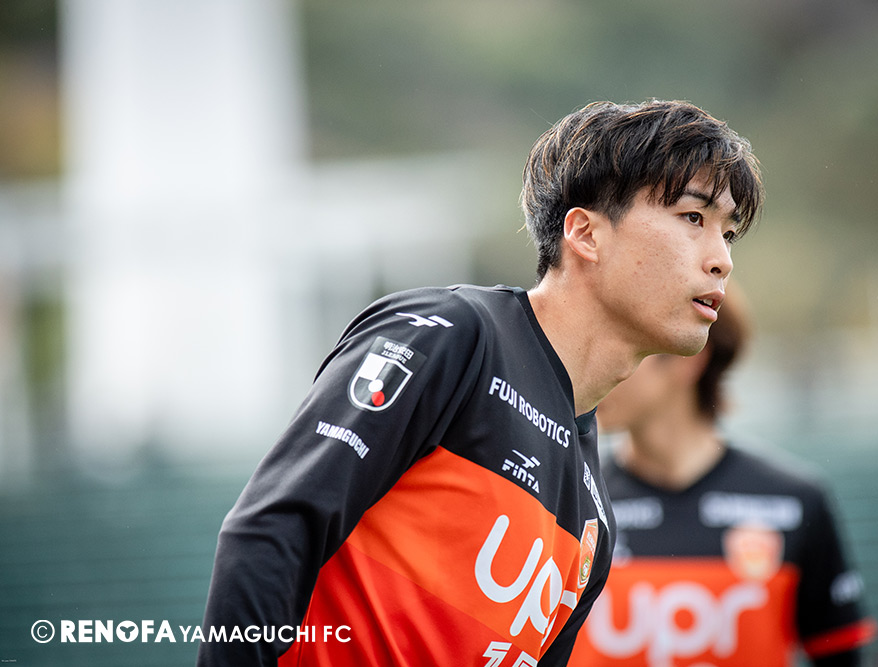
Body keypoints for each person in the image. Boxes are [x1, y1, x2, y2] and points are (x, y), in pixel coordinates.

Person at [197, 99, 764, 666]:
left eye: (729, 233)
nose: (722, 260)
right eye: (694, 218)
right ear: (586, 234)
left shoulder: (594, 515)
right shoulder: (451, 336)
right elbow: (271, 529)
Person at [567, 286, 878, 667]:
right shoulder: (570, 498)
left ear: (688, 357)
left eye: (627, 345)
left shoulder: (795, 502)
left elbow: (841, 656)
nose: (597, 366)